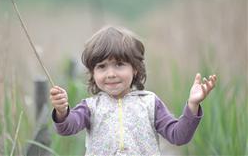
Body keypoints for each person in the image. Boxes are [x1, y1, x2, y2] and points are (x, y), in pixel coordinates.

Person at [50, 26, 217, 155]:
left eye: (119, 64)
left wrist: (193, 105)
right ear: (93, 73)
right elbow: (66, 128)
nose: (111, 74)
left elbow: (179, 136)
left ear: (135, 69)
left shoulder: (150, 103)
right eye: (101, 67)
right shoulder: (90, 107)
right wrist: (62, 111)